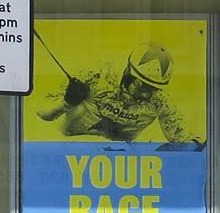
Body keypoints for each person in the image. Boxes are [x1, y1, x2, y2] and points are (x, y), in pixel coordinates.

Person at [38, 42, 200, 145]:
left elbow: (182, 140)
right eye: (141, 85)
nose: (145, 95)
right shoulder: (96, 76)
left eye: (153, 89)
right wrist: (67, 103)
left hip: (117, 159)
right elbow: (42, 113)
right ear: (127, 72)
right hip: (70, 145)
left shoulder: (160, 102)